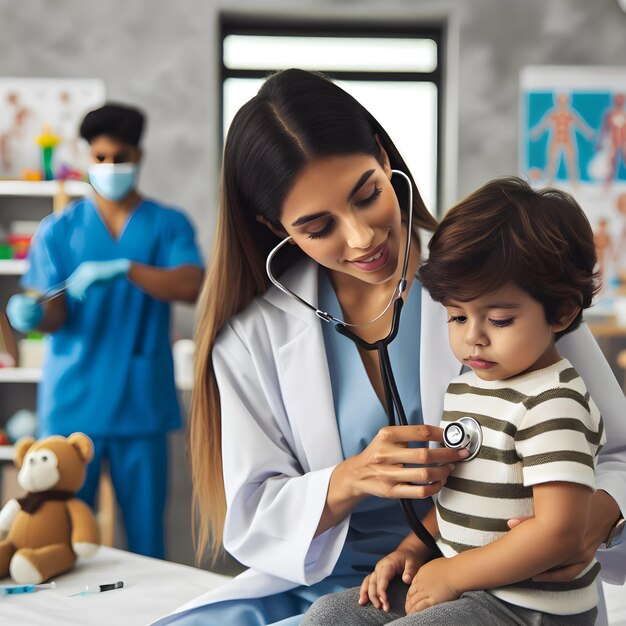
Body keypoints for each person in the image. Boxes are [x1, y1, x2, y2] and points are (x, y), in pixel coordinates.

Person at [159, 70, 626, 626]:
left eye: (367, 195)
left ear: (385, 159)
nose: (361, 238)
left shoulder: (504, 277)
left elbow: (616, 451)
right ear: (273, 226)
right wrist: (351, 477)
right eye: (317, 227)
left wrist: (592, 517)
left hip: (497, 581)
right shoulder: (250, 338)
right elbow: (254, 519)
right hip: (342, 587)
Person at [301, 177, 606, 626]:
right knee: (329, 616)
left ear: (561, 313)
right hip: (464, 587)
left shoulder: (553, 401)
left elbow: (561, 532)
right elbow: (456, 500)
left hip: (528, 606)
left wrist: (453, 574)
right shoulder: (469, 388)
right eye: (457, 316)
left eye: (500, 320)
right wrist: (411, 549)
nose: (472, 338)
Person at [5, 103, 204, 560]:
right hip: (73, 402)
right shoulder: (58, 230)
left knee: (146, 539)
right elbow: (50, 310)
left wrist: (127, 268)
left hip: (140, 403)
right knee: (61, 533)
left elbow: (191, 284)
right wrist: (34, 316)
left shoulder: (167, 224)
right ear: (87, 156)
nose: (110, 167)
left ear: (138, 155)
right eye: (101, 157)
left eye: (121, 157)